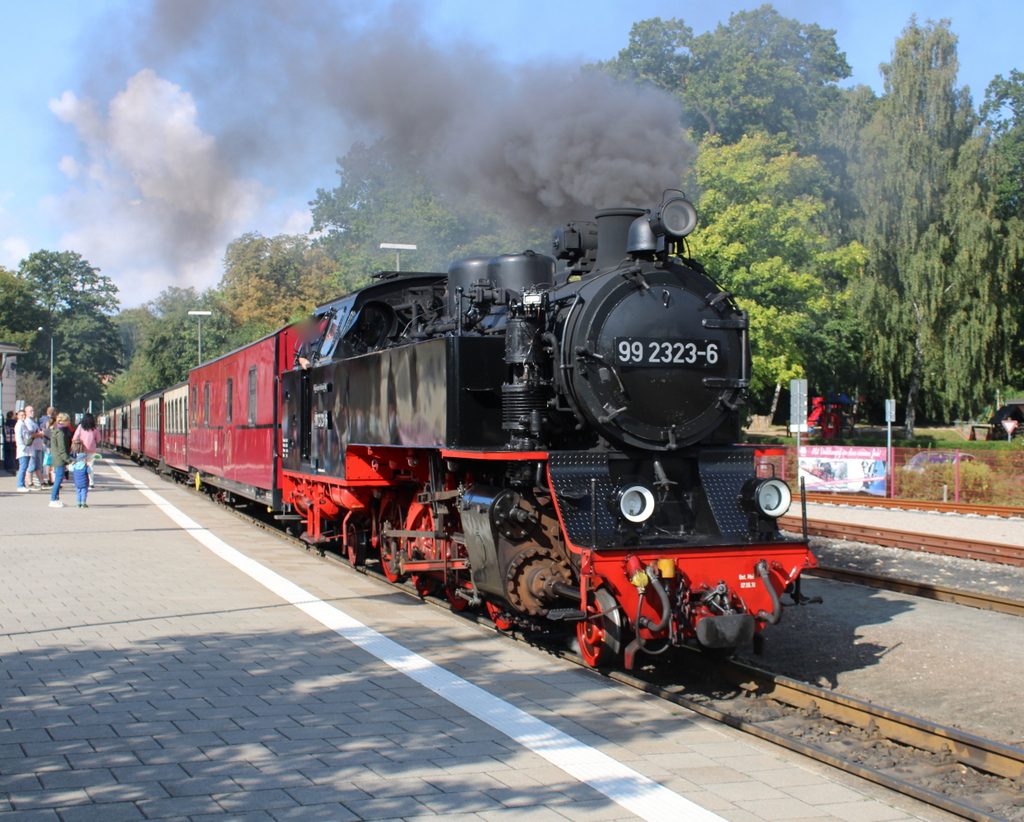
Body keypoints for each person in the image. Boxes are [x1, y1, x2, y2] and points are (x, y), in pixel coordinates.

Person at [15, 406, 46, 491]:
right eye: (21, 415)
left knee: (24, 467)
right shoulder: (19, 425)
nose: (23, 417)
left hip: (28, 449)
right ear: (17, 416)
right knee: (23, 468)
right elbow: (19, 438)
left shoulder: (23, 424)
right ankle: (20, 485)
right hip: (24, 450)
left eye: (24, 415)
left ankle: (22, 485)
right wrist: (23, 447)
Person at [48, 412, 73, 508]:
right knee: (58, 479)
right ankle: (53, 499)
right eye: (68, 421)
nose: (70, 422)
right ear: (65, 421)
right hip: (59, 459)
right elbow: (62, 450)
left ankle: (56, 499)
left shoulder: (56, 430)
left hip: (56, 457)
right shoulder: (61, 434)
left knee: (58, 479)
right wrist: (69, 461)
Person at [71, 413, 100, 488]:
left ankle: (81, 481)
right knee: (90, 466)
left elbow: (75, 437)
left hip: (81, 450)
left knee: (80, 466)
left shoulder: (80, 427)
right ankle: (91, 483)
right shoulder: (95, 428)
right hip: (91, 450)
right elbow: (98, 439)